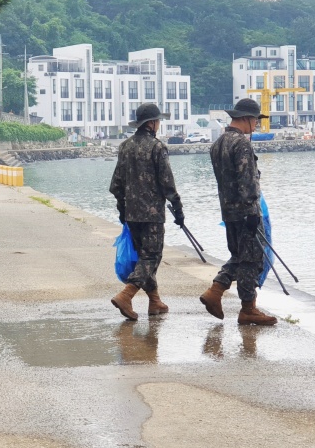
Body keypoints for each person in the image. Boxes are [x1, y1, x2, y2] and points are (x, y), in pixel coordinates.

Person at [199, 98, 278, 326]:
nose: (256, 124)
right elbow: (247, 181)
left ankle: (217, 291)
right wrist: (253, 212)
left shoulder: (219, 143)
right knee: (252, 259)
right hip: (246, 212)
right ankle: (247, 308)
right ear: (245, 118)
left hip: (228, 211)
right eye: (255, 120)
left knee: (240, 255)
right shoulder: (241, 144)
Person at [109, 102, 183, 320]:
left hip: (131, 214)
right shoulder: (157, 148)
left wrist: (123, 211)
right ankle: (126, 294)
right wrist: (178, 210)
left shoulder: (125, 146)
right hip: (152, 215)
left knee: (144, 257)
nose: (159, 124)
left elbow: (116, 185)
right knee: (151, 256)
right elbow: (167, 184)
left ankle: (155, 301)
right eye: (158, 121)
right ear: (151, 124)